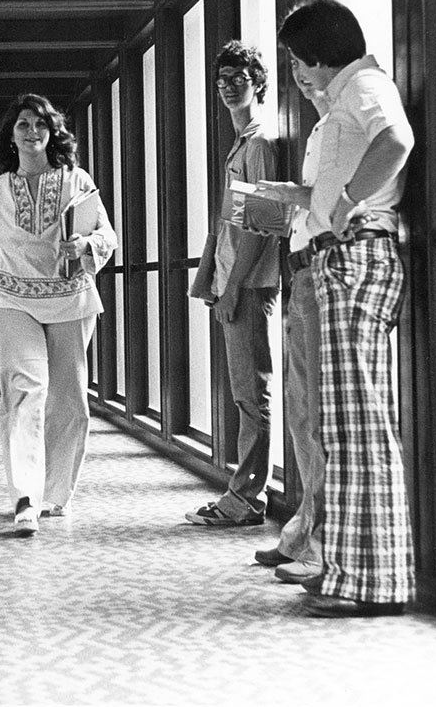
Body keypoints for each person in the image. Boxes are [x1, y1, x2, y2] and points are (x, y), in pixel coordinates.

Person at [259, 0, 416, 617]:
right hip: (337, 259)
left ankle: (373, 583)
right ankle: (351, 573)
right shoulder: (345, 99)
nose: (298, 71)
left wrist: (347, 200)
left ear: (319, 54)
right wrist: (306, 196)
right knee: (344, 429)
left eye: (299, 58)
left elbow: (396, 142)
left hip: (355, 257)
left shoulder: (365, 87)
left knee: (359, 430)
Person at [0, 93, 117, 537]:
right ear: (10, 136)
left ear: (52, 132)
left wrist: (84, 247)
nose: (32, 132)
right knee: (25, 392)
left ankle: (55, 493)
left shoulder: (75, 180)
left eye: (39, 125)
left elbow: (106, 235)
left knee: (70, 399)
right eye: (23, 125)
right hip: (13, 300)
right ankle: (25, 497)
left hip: (71, 298)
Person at [185, 41, 280, 528]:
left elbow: (259, 227)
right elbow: (232, 222)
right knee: (244, 393)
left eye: (238, 78)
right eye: (221, 79)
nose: (227, 87)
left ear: (257, 83)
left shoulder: (259, 145)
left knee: (251, 394)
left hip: (248, 285)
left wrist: (233, 289)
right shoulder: (242, 142)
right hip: (233, 281)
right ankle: (242, 493)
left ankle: (246, 500)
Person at [252, 88, 328, 584]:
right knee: (300, 413)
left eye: (307, 64)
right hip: (301, 267)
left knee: (318, 415)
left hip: (323, 266)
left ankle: (321, 543)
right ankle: (304, 526)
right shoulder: (323, 127)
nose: (302, 78)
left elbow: (334, 200)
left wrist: (289, 195)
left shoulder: (360, 107)